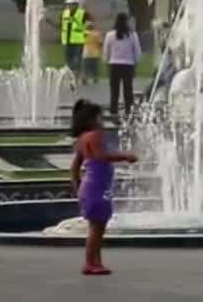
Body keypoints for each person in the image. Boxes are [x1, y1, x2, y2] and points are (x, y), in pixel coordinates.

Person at [70, 99, 137, 276]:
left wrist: (78, 187)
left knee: (97, 227)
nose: (102, 121)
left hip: (90, 187)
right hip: (97, 187)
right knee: (96, 228)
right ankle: (90, 263)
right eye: (100, 117)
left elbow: (74, 167)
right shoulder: (95, 135)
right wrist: (125, 156)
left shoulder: (82, 139)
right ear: (91, 119)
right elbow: (101, 156)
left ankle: (95, 261)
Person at [104, 13, 142, 118]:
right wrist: (136, 62)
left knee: (114, 90)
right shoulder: (132, 35)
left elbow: (106, 50)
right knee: (128, 90)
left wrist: (107, 61)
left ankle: (113, 110)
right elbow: (137, 51)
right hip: (128, 65)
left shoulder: (110, 35)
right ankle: (128, 110)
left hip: (114, 64)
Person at [61, 0, 88, 81]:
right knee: (68, 60)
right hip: (67, 40)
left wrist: (85, 35)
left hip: (78, 41)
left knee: (77, 60)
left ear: (76, 5)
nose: (69, 6)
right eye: (68, 4)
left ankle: (77, 76)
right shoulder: (65, 13)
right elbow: (62, 25)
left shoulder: (82, 13)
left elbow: (87, 26)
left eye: (71, 4)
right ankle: (71, 77)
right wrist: (48, 21)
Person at [82, 15, 103, 86]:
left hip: (86, 53)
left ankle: (84, 78)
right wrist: (100, 50)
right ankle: (95, 78)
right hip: (95, 53)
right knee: (95, 67)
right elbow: (100, 43)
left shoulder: (84, 33)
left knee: (86, 67)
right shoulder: (97, 34)